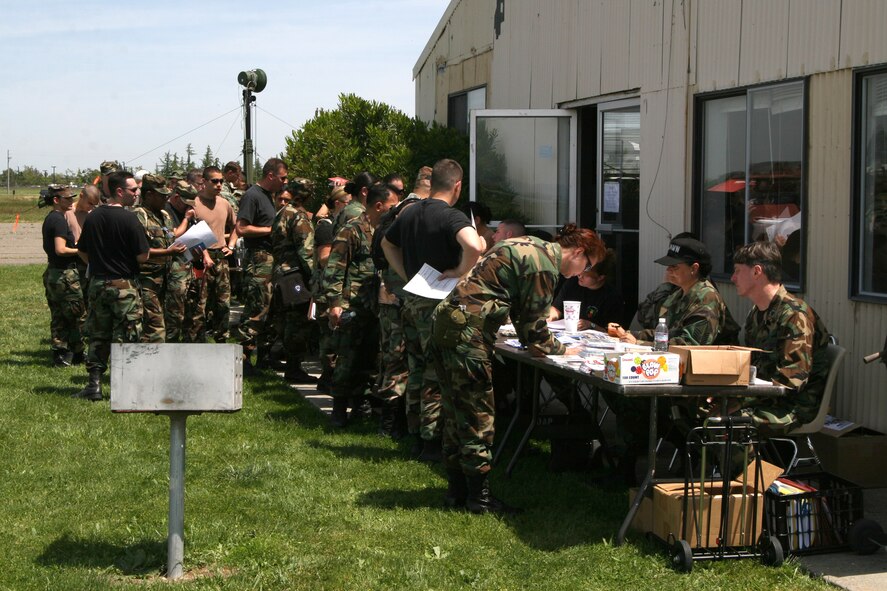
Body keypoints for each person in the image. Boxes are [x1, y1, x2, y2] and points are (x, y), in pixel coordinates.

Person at [431, 224, 606, 514]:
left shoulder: (526, 244)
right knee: (477, 415)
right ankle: (479, 498)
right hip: (467, 334)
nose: (580, 273)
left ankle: (457, 492)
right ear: (577, 252)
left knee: (455, 411)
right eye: (586, 265)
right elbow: (535, 333)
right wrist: (566, 350)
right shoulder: (543, 266)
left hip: (447, 324)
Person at [382, 159, 484, 461]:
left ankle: (415, 433)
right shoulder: (451, 216)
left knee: (414, 368)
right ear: (457, 186)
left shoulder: (411, 212)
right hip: (438, 303)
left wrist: (406, 276)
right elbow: (475, 247)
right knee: (434, 374)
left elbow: (388, 245)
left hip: (412, 299)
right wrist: (460, 271)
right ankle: (431, 441)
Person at [729, 241, 831, 434]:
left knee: (727, 425)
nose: (733, 278)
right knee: (699, 412)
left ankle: (749, 465)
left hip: (792, 406)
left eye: (737, 271)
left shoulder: (794, 314)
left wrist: (740, 399)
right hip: (765, 399)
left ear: (757, 272)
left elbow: (792, 380)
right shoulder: (757, 314)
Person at [323, 183, 400, 427]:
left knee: (372, 358)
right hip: (353, 303)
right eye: (391, 206)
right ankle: (338, 409)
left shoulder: (387, 231)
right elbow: (335, 266)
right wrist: (335, 303)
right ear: (379, 206)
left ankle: (362, 405)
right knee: (347, 358)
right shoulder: (353, 230)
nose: (395, 211)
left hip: (377, 305)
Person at [74, 171, 149, 401]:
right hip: (123, 286)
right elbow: (143, 256)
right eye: (133, 190)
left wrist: (98, 266)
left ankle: (94, 385)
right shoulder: (129, 219)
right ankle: (127, 388)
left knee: (98, 334)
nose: (137, 194)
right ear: (119, 191)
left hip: (98, 283)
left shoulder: (94, 217)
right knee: (129, 334)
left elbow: (82, 250)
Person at [371, 168, 430, 437]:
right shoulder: (418, 211)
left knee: (392, 357)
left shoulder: (400, 208)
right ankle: (392, 425)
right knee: (403, 359)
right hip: (404, 296)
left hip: (390, 293)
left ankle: (388, 420)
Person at [610, 237, 740, 346]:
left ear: (694, 268)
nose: (668, 270)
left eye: (674, 267)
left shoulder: (707, 297)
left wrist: (639, 343)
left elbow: (690, 345)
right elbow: (668, 333)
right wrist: (628, 334)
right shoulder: (678, 294)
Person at [235, 158, 288, 371]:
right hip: (259, 259)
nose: (285, 181)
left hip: (272, 259)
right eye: (282, 177)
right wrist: (271, 230)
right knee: (256, 308)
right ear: (271, 176)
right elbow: (241, 228)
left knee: (271, 309)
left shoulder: (270, 196)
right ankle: (244, 358)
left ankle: (265, 356)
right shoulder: (252, 196)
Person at [270, 181, 316, 382]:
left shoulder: (282, 212)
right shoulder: (298, 216)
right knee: (297, 322)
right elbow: (306, 251)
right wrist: (316, 278)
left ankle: (288, 364)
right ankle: (294, 368)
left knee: (287, 321)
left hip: (281, 273)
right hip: (295, 275)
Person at [133, 174, 187, 343]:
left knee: (171, 321)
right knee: (155, 328)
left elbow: (170, 237)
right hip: (147, 280)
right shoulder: (139, 215)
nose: (166, 198)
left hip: (166, 278)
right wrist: (167, 252)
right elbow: (138, 250)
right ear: (149, 195)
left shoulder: (164, 215)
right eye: (161, 195)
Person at [311, 186, 352, 393]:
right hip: (326, 289)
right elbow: (324, 257)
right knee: (328, 337)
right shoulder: (326, 227)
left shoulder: (343, 225)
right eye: (347, 203)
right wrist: (343, 252)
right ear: (338, 204)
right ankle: (327, 377)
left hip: (340, 286)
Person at [41, 184, 86, 367]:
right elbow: (60, 249)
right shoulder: (59, 220)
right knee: (77, 315)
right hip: (64, 275)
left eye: (72, 197)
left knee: (59, 315)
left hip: (54, 272)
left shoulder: (51, 218)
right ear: (56, 200)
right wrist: (79, 249)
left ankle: (61, 354)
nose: (71, 201)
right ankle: (77, 353)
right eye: (67, 198)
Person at [194, 166, 238, 343]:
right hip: (200, 260)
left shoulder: (224, 203)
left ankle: (221, 340)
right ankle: (198, 342)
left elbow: (237, 226)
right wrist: (204, 254)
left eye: (221, 181)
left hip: (221, 257)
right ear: (204, 182)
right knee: (199, 304)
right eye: (214, 181)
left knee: (223, 304)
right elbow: (192, 232)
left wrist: (231, 245)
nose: (219, 185)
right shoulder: (195, 203)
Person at [548, 248, 624, 330]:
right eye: (582, 270)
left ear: (600, 277)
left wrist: (591, 325)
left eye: (586, 274)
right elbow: (556, 308)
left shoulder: (612, 297)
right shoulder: (572, 284)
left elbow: (615, 331)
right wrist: (551, 317)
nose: (580, 275)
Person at [163, 181, 201, 342]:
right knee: (174, 310)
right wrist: (186, 219)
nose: (189, 207)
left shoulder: (187, 211)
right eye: (186, 203)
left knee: (190, 308)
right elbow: (172, 236)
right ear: (177, 197)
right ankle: (171, 342)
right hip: (173, 268)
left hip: (188, 265)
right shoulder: (166, 211)